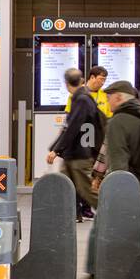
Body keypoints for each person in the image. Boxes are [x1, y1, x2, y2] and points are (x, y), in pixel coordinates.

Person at [80, 81, 140, 279]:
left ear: (120, 97)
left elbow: (116, 157)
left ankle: (95, 271)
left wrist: (108, 183)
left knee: (101, 226)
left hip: (125, 186)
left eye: (110, 97)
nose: (107, 101)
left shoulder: (118, 121)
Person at [46, 68, 103, 223]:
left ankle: (110, 212)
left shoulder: (82, 99)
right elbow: (70, 126)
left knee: (86, 190)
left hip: (80, 154)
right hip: (74, 153)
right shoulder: (81, 97)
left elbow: (73, 127)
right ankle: (69, 215)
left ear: (66, 83)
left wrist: (56, 150)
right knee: (66, 186)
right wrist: (55, 147)